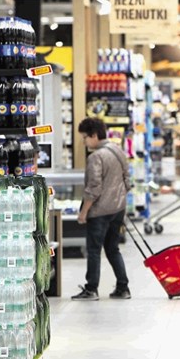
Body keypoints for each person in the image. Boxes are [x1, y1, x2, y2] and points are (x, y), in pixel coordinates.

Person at [72, 118, 131, 301]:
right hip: (118, 208)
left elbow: (94, 188)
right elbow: (127, 180)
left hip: (99, 212)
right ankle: (123, 287)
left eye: (85, 138)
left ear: (94, 135)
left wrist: (83, 213)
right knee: (113, 248)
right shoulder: (118, 150)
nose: (84, 142)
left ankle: (91, 289)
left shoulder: (96, 157)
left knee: (94, 250)